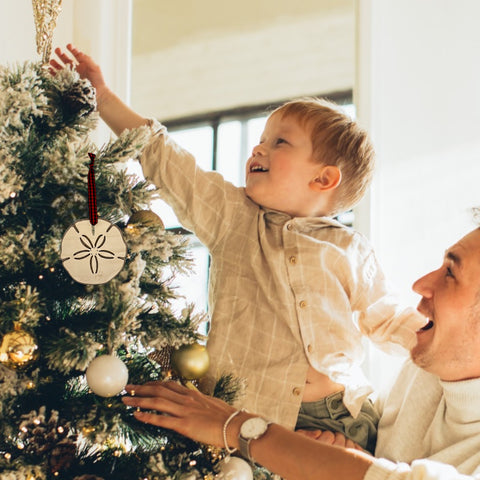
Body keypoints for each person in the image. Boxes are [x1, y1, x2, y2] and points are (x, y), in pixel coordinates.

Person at [50, 45, 426, 453]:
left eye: (279, 142)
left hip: (338, 416)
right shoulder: (234, 218)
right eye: (261, 139)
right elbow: (168, 160)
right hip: (245, 412)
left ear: (323, 179)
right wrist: (103, 96)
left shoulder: (349, 248)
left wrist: (443, 341)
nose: (257, 149)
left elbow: (387, 319)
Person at [122, 225, 480, 479]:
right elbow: (380, 463)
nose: (421, 285)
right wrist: (350, 454)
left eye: (450, 273)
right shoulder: (427, 368)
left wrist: (234, 426)